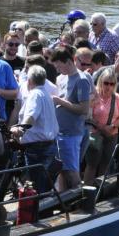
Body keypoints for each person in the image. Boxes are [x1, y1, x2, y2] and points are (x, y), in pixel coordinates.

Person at [12, 66, 60, 194]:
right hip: (48, 145)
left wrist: (20, 129)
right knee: (44, 184)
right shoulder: (46, 94)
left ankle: (38, 212)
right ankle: (43, 211)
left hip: (37, 148)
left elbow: (31, 116)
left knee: (36, 186)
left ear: (29, 80)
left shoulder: (35, 95)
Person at [50, 46, 91, 191]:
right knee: (61, 169)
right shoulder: (61, 78)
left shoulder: (82, 80)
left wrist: (60, 102)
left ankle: (80, 199)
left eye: (59, 66)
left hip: (71, 133)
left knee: (72, 170)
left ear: (68, 62)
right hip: (58, 132)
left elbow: (84, 110)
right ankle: (62, 200)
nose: (57, 70)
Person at [82, 67, 119, 183]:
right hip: (95, 135)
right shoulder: (93, 96)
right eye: (106, 83)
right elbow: (87, 117)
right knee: (91, 165)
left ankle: (100, 192)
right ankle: (86, 192)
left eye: (112, 84)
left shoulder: (117, 97)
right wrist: (102, 127)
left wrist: (113, 126)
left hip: (112, 135)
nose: (109, 86)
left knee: (105, 164)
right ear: (101, 81)